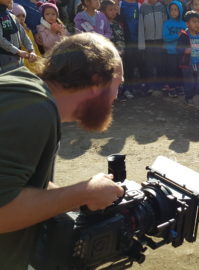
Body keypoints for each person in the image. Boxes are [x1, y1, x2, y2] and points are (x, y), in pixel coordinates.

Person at [0, 32, 125, 270]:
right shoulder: (33, 109)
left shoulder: (25, 88)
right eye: (117, 84)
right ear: (97, 83)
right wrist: (84, 192)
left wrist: (81, 200)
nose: (116, 96)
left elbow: (26, 184)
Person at [177, 10, 199, 105]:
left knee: (196, 84)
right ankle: (188, 97)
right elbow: (178, 48)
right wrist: (185, 50)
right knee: (189, 83)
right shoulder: (184, 36)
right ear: (187, 23)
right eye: (194, 21)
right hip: (187, 64)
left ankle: (190, 96)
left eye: (197, 21)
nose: (196, 24)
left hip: (197, 64)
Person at [138, 0, 166, 94]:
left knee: (160, 64)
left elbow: (165, 24)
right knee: (149, 64)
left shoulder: (161, 7)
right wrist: (141, 45)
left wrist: (166, 42)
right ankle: (150, 86)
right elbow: (141, 27)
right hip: (148, 41)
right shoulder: (143, 8)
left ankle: (159, 86)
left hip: (160, 40)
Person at [0, 0, 36, 73]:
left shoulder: (11, 15)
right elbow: (0, 40)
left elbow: (23, 35)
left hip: (18, 59)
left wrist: (31, 50)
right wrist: (17, 51)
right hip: (5, 59)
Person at [163, 0, 186, 97]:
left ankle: (179, 86)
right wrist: (177, 35)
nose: (173, 12)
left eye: (176, 10)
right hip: (170, 52)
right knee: (171, 70)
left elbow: (186, 38)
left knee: (179, 70)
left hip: (181, 52)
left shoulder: (184, 24)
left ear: (180, 11)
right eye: (171, 10)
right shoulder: (167, 23)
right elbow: (166, 37)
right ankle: (171, 88)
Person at [11, 3, 41, 73]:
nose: (21, 18)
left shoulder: (27, 28)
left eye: (23, 16)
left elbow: (34, 45)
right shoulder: (14, 31)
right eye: (18, 16)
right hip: (24, 58)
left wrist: (37, 54)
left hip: (33, 55)